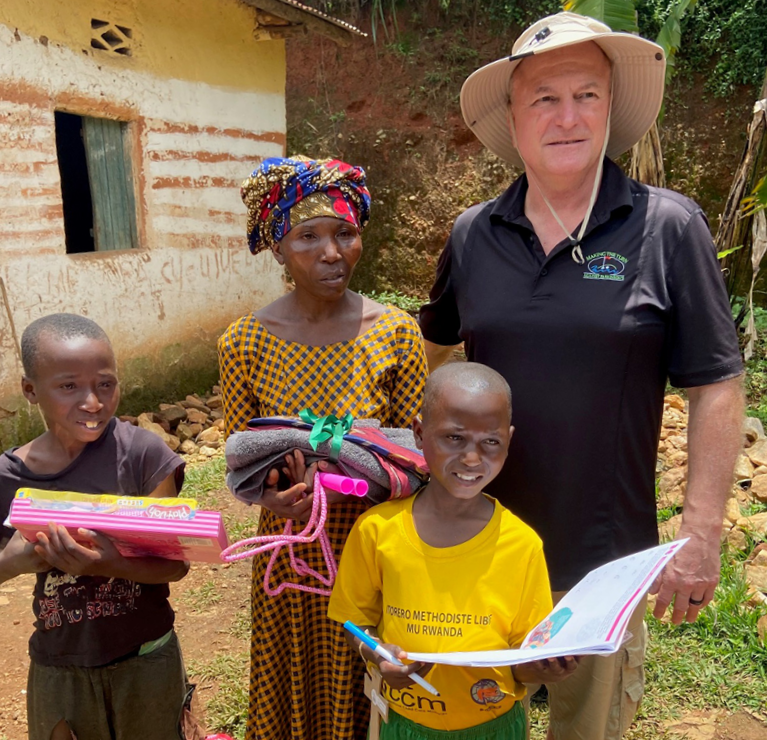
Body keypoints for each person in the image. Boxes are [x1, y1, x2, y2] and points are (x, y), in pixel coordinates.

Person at [419, 12, 744, 740]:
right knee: (472, 722)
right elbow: (429, 356)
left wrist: (700, 534)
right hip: (476, 544)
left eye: (586, 95)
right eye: (544, 98)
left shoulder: (666, 228)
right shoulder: (473, 233)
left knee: (585, 731)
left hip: (603, 564)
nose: (566, 117)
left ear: (609, 108)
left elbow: (716, 386)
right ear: (514, 116)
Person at [219, 156, 428, 740]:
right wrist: (271, 498)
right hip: (290, 554)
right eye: (307, 236)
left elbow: (413, 459)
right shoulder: (244, 343)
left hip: (375, 544)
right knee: (295, 682)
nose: (331, 253)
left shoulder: (396, 333)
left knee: (370, 682)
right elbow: (244, 457)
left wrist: (367, 481)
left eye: (345, 233)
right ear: (277, 247)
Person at [328, 362, 579, 740]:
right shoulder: (377, 530)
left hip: (494, 727)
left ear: (508, 440)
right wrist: (376, 654)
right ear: (419, 433)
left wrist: (545, 669)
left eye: (490, 442)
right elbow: (354, 621)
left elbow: (522, 661)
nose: (472, 458)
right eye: (454, 437)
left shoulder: (521, 544)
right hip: (404, 726)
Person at [0, 313, 189, 740]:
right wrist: (14, 562)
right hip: (59, 668)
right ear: (30, 390)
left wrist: (107, 563)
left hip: (146, 657)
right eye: (69, 386)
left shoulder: (142, 455)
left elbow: (174, 566)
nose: (93, 402)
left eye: (106, 384)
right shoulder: (9, 478)